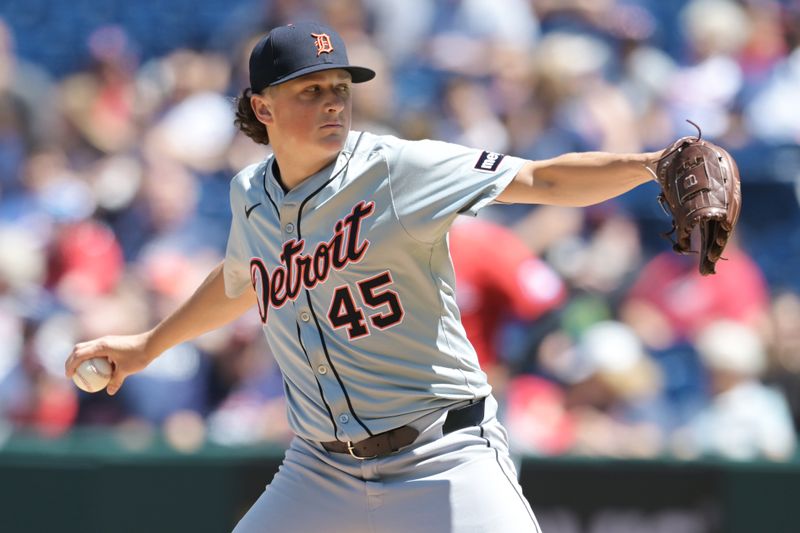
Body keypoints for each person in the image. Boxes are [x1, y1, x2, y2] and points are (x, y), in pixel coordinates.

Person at [65, 22, 663, 533]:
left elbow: (543, 180)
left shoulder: (399, 170)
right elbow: (240, 278)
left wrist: (650, 165)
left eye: (340, 88)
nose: (333, 102)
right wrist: (148, 346)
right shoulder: (250, 193)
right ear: (262, 108)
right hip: (319, 470)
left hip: (443, 452)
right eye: (311, 89)